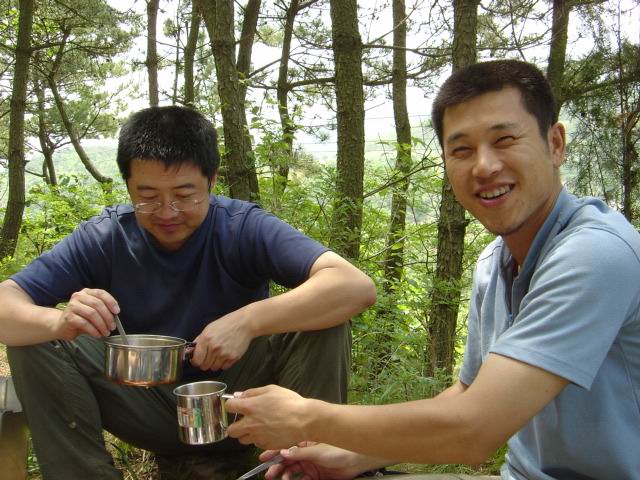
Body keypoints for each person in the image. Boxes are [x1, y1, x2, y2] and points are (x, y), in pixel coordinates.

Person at [223, 59, 640, 480]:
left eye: (505, 139)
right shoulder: (494, 264)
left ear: (555, 143)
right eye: (461, 150)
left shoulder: (596, 254)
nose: (484, 166)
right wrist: (355, 455)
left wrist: (305, 417)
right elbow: (465, 395)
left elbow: (473, 430)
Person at [0, 105, 377, 479]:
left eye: (185, 195)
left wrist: (247, 321)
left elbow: (353, 287)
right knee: (36, 336)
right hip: (146, 403)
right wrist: (59, 322)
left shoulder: (241, 227)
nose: (167, 211)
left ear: (211, 180)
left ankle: (304, 465)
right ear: (128, 185)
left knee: (323, 318)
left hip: (245, 408)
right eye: (148, 195)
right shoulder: (105, 237)